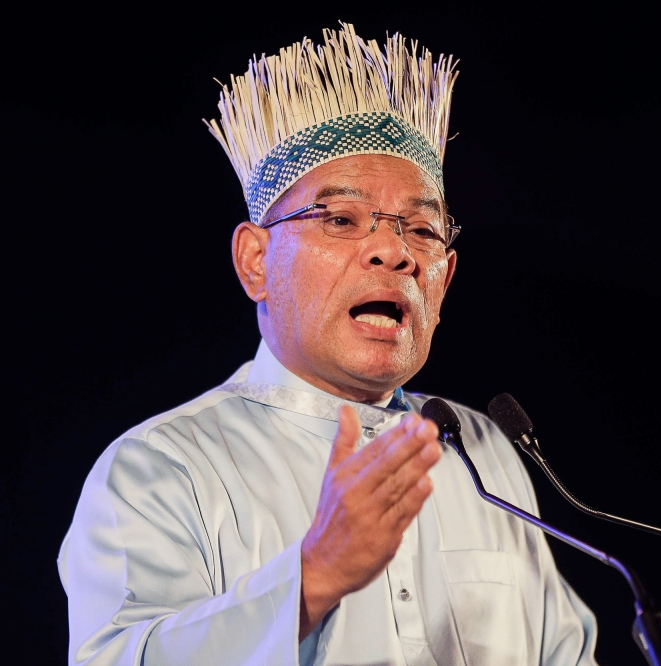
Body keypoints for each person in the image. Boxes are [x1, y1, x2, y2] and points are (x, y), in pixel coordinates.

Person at [58, 23, 598, 666]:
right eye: (341, 218)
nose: (394, 250)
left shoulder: (483, 452)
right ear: (255, 261)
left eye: (422, 229)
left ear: (445, 279)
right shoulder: (162, 467)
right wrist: (313, 577)